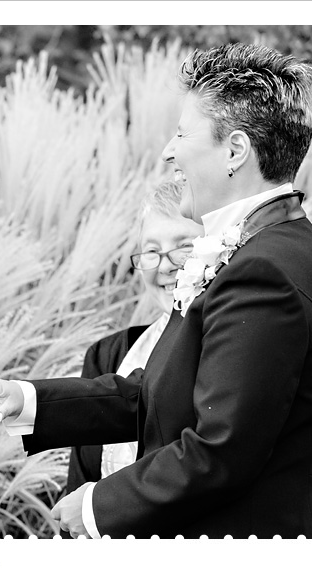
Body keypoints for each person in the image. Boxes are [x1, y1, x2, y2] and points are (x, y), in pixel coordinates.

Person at [0, 43, 312, 539]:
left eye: (184, 133)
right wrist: (23, 397)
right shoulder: (273, 247)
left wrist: (97, 505)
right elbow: (160, 395)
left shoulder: (264, 271)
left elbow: (222, 450)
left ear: (235, 151)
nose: (169, 150)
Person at [65, 182, 203, 499]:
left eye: (184, 246)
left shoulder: (232, 354)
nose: (165, 266)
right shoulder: (106, 357)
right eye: (152, 251)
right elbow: (80, 484)